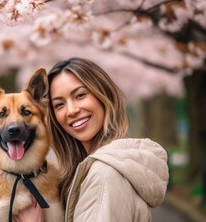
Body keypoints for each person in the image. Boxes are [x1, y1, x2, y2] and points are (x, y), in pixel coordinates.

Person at [16, 57, 169, 222]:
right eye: (59, 105)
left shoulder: (104, 173)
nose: (71, 110)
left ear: (103, 95)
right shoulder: (97, 167)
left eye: (80, 95)